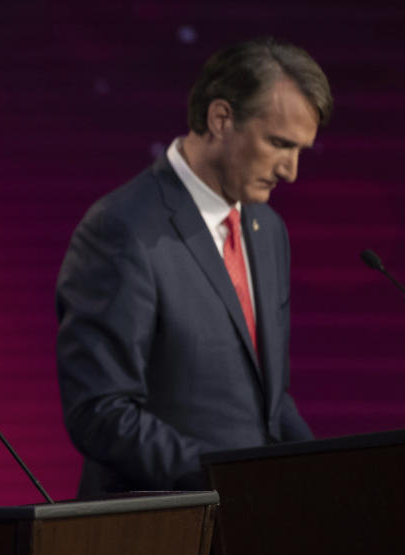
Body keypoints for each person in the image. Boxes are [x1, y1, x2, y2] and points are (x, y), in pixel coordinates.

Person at [57, 38, 332, 497]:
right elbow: (100, 412)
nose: (291, 172)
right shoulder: (121, 229)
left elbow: (270, 401)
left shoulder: (268, 228)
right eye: (280, 144)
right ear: (220, 119)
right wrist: (228, 477)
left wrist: (325, 476)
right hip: (160, 538)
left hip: (250, 532)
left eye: (301, 150)